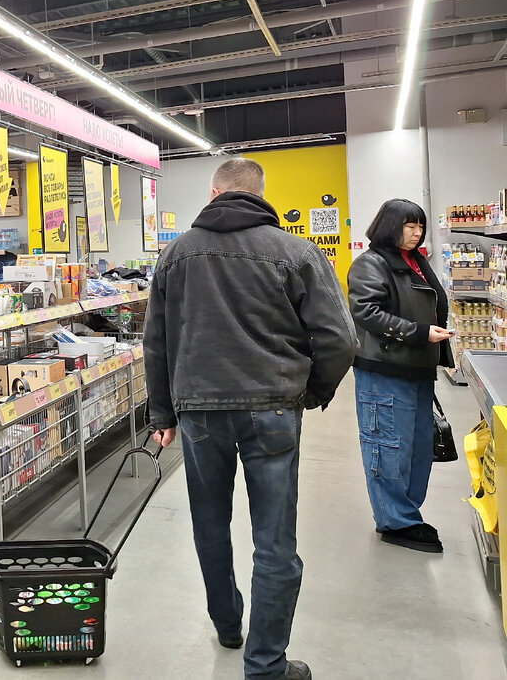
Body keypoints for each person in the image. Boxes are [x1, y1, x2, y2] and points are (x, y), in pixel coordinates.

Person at [145, 157, 356, 680]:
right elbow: (340, 339)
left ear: (213, 193)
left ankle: (227, 624)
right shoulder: (296, 252)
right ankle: (265, 663)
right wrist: (310, 391)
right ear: (261, 195)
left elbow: (157, 342)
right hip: (273, 408)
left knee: (210, 523)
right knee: (275, 540)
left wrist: (162, 412)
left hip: (198, 411)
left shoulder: (175, 255)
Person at [348, 198, 454, 553]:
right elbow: (366, 312)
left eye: (420, 226)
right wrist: (419, 333)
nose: (417, 232)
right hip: (385, 370)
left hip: (417, 368)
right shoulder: (371, 263)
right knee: (388, 446)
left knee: (418, 448)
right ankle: (395, 521)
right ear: (390, 226)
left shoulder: (416, 261)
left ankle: (407, 513)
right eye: (410, 225)